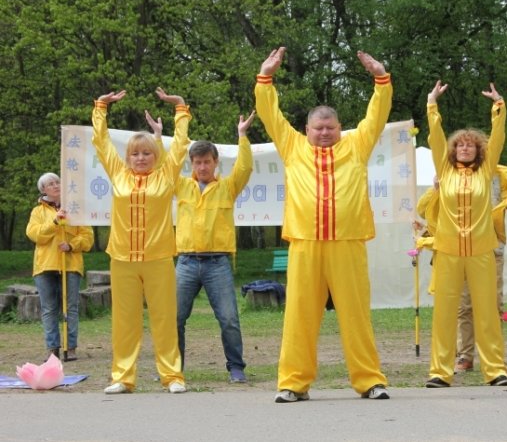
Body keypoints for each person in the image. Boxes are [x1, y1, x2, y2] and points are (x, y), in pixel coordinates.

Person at [254, 47, 392, 402]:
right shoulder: (292, 146)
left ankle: (369, 381)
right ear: (307, 129)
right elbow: (271, 115)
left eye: (331, 127)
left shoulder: (357, 145)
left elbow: (376, 116)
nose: (325, 133)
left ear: (341, 129)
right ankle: (293, 383)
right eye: (319, 128)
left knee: (356, 316)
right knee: (299, 315)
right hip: (305, 242)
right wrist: (265, 77)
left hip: (348, 242)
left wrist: (381, 79)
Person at [92, 87, 191, 394]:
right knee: (125, 322)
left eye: (146, 153)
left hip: (159, 257)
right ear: (127, 156)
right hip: (122, 258)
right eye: (135, 153)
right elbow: (101, 142)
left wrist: (181, 109)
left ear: (155, 155)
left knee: (164, 320)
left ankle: (172, 376)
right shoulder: (118, 173)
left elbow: (182, 145)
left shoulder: (166, 175)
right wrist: (101, 108)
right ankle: (123, 377)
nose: (140, 158)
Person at [424, 80, 507, 388]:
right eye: (460, 145)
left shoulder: (485, 172)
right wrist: (432, 104)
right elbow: (435, 137)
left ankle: (496, 370)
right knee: (445, 313)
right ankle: (439, 372)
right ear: (453, 150)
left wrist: (498, 107)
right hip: (447, 251)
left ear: (478, 151)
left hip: (481, 251)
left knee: (487, 312)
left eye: (470, 145)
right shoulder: (444, 171)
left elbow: (498, 139)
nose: (464, 148)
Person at [417, 166, 507, 373]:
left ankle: (495, 358)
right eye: (462, 146)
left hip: (491, 249)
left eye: (476, 147)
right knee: (464, 305)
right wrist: (435, 188)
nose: (468, 150)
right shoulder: (449, 175)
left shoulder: (498, 175)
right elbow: (423, 210)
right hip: (458, 250)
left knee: (493, 305)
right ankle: (465, 356)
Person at [174, 112, 255, 384]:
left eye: (207, 162)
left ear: (215, 162)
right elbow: (168, 162)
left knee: (229, 319)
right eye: (197, 162)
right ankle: (175, 370)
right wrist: (176, 127)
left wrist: (242, 135)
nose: (203, 167)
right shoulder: (181, 186)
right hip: (185, 262)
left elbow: (244, 168)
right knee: (175, 318)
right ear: (191, 164)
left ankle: (236, 367)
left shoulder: (228, 187)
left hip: (217, 263)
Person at [26, 173, 93, 361]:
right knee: (49, 308)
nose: (56, 185)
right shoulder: (37, 212)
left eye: (58, 182)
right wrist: (54, 222)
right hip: (45, 265)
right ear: (43, 189)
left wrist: (71, 245)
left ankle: (70, 347)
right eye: (50, 184)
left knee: (70, 307)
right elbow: (35, 235)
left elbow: (87, 237)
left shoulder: (76, 209)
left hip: (70, 264)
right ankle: (52, 348)